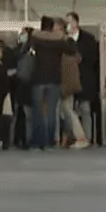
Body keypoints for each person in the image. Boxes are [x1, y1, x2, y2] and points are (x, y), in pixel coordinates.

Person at [22, 17, 74, 151]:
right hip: (54, 79)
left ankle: (37, 142)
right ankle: (49, 142)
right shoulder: (58, 40)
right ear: (52, 27)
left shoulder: (36, 38)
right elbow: (71, 50)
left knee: (37, 112)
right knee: (51, 112)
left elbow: (25, 51)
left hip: (38, 79)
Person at [65, 12, 103, 146]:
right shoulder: (64, 40)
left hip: (85, 79)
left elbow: (93, 59)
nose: (68, 25)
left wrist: (80, 59)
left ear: (76, 22)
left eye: (70, 21)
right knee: (69, 111)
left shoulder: (88, 39)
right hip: (69, 81)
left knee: (85, 109)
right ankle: (72, 138)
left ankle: (87, 138)